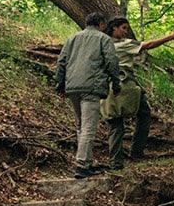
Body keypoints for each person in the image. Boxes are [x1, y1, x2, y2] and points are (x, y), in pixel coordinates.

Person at [102, 18, 174, 169]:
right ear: (114, 28)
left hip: (106, 87)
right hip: (125, 85)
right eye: (124, 28)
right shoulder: (123, 44)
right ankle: (135, 152)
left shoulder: (102, 44)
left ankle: (116, 163)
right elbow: (148, 45)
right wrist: (170, 37)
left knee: (115, 123)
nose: (126, 31)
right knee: (143, 114)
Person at [52, 12, 123, 178]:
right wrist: (116, 83)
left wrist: (60, 85)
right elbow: (112, 62)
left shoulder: (73, 38)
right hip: (91, 87)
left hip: (72, 88)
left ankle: (85, 161)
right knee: (88, 128)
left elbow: (61, 62)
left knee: (80, 126)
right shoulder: (103, 39)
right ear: (100, 24)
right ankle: (82, 165)